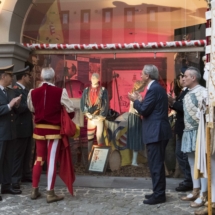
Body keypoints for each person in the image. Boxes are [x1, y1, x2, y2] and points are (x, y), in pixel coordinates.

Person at [27, 67, 75, 203]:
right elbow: (71, 109)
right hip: (54, 130)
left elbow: (31, 108)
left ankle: (34, 189)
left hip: (39, 130)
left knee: (39, 159)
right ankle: (50, 192)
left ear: (41, 78)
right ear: (54, 78)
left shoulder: (33, 92)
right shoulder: (60, 92)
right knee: (52, 160)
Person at [128, 64, 172, 205]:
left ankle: (159, 194)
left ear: (148, 75)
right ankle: (157, 192)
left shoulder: (153, 89)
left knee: (156, 164)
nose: (140, 76)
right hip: (157, 131)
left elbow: (145, 110)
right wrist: (140, 101)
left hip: (156, 132)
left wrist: (135, 101)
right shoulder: (156, 88)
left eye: (142, 74)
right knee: (155, 164)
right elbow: (150, 108)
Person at [180, 67, 208, 209]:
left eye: (185, 76)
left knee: (201, 163)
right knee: (192, 162)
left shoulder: (202, 92)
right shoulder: (187, 92)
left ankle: (204, 193)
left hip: (199, 132)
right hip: (189, 131)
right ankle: (196, 189)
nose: (183, 78)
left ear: (193, 78)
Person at [0, 65, 23, 200]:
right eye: (10, 76)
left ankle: (6, 185)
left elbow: (13, 110)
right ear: (3, 76)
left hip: (10, 132)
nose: (12, 79)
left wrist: (16, 104)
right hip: (1, 133)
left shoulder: (8, 91)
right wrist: (9, 105)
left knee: (9, 160)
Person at [168, 70, 193, 191]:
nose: (182, 79)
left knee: (184, 156)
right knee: (179, 154)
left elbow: (185, 108)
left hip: (185, 129)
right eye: (181, 77)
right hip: (180, 128)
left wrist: (173, 102)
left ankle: (190, 181)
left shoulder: (191, 92)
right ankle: (189, 180)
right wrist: (171, 102)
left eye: (184, 77)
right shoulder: (183, 92)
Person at [11, 66, 33, 189]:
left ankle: (25, 174)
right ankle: (15, 179)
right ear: (23, 77)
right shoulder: (16, 90)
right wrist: (30, 105)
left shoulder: (25, 90)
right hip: (20, 127)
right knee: (18, 154)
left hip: (26, 127)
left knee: (26, 152)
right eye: (28, 75)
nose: (29, 78)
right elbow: (18, 108)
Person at [80, 73, 109, 154]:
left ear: (98, 79)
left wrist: (102, 115)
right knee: (90, 138)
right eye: (92, 77)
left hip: (99, 117)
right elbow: (83, 103)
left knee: (99, 137)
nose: (93, 79)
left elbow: (105, 103)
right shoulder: (86, 90)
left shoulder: (103, 90)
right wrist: (86, 113)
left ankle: (100, 158)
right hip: (90, 118)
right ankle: (89, 156)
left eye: (95, 78)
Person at [127, 80, 145, 166]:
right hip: (135, 117)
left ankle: (134, 160)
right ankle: (134, 161)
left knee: (134, 138)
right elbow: (137, 109)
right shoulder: (136, 95)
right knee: (136, 138)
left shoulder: (133, 94)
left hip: (132, 117)